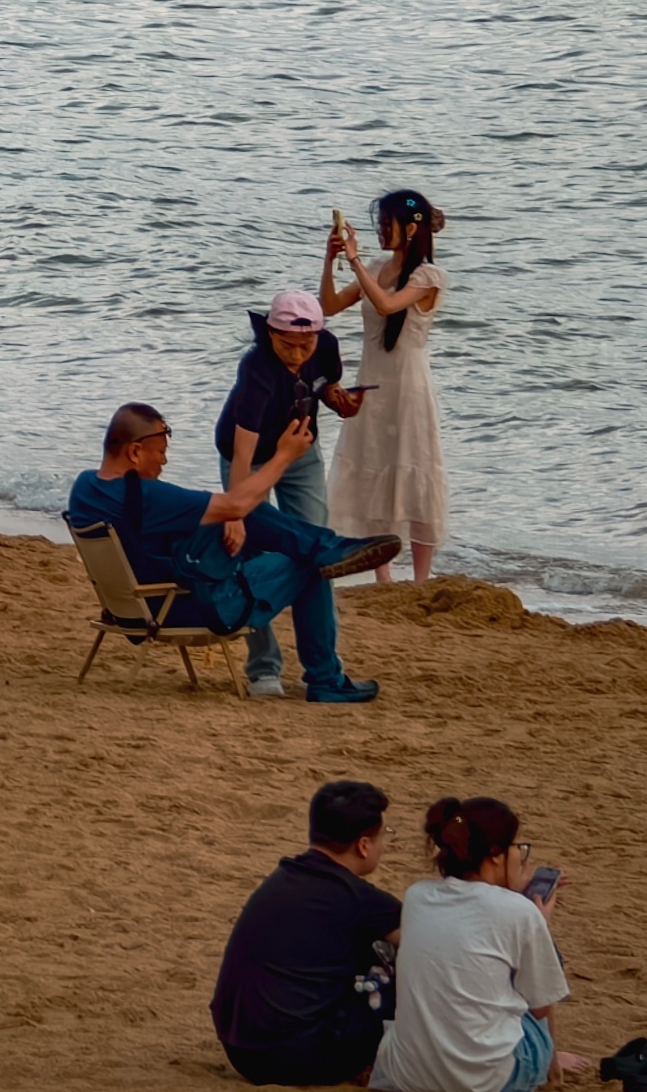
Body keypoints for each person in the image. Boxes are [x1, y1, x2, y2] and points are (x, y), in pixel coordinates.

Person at [66, 402, 401, 637]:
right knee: (306, 561)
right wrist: (284, 455)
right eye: (161, 453)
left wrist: (230, 515)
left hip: (139, 604)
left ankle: (329, 548)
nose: (164, 462)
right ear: (135, 452)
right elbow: (236, 503)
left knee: (237, 519)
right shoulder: (146, 496)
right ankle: (327, 679)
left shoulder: (84, 488)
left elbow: (219, 510)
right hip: (185, 608)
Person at [215, 284, 378, 705]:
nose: (298, 354)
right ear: (270, 334)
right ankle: (263, 669)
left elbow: (325, 384)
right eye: (289, 345)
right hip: (248, 460)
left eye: (306, 344)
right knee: (249, 552)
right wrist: (234, 510)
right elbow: (242, 449)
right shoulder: (256, 370)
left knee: (316, 553)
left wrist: (338, 400)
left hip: (301, 454)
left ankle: (323, 675)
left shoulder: (324, 345)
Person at [371, 796, 591, 1092]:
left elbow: (475, 921)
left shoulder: (418, 895)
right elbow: (541, 1006)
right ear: (496, 854)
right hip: (488, 1084)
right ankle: (549, 1063)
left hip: (410, 1074)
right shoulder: (520, 912)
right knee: (532, 981)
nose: (521, 857)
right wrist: (541, 926)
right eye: (517, 848)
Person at [210, 781, 401, 1085]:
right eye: (384, 836)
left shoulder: (283, 877)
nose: (385, 844)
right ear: (363, 845)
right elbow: (427, 945)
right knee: (390, 968)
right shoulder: (359, 899)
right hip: (296, 1056)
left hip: (240, 1049)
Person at [324, 188, 450, 582]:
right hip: (372, 382)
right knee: (373, 463)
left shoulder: (429, 276)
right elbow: (327, 306)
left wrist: (354, 258)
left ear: (412, 228)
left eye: (387, 225)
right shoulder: (376, 267)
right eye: (379, 225)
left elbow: (387, 305)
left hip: (409, 387)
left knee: (415, 467)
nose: (382, 231)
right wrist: (331, 261)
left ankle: (421, 578)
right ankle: (383, 577)